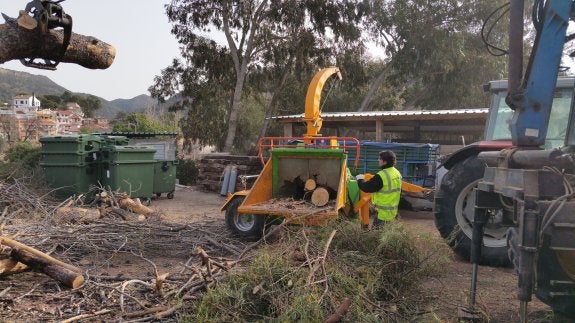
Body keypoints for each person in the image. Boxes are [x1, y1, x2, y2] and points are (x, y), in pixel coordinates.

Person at [356, 150, 402, 227]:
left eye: (380, 159)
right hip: (393, 212)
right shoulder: (397, 173)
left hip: (383, 215)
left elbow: (366, 188)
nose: (378, 160)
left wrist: (360, 179)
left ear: (385, 162)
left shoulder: (381, 175)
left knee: (376, 237)